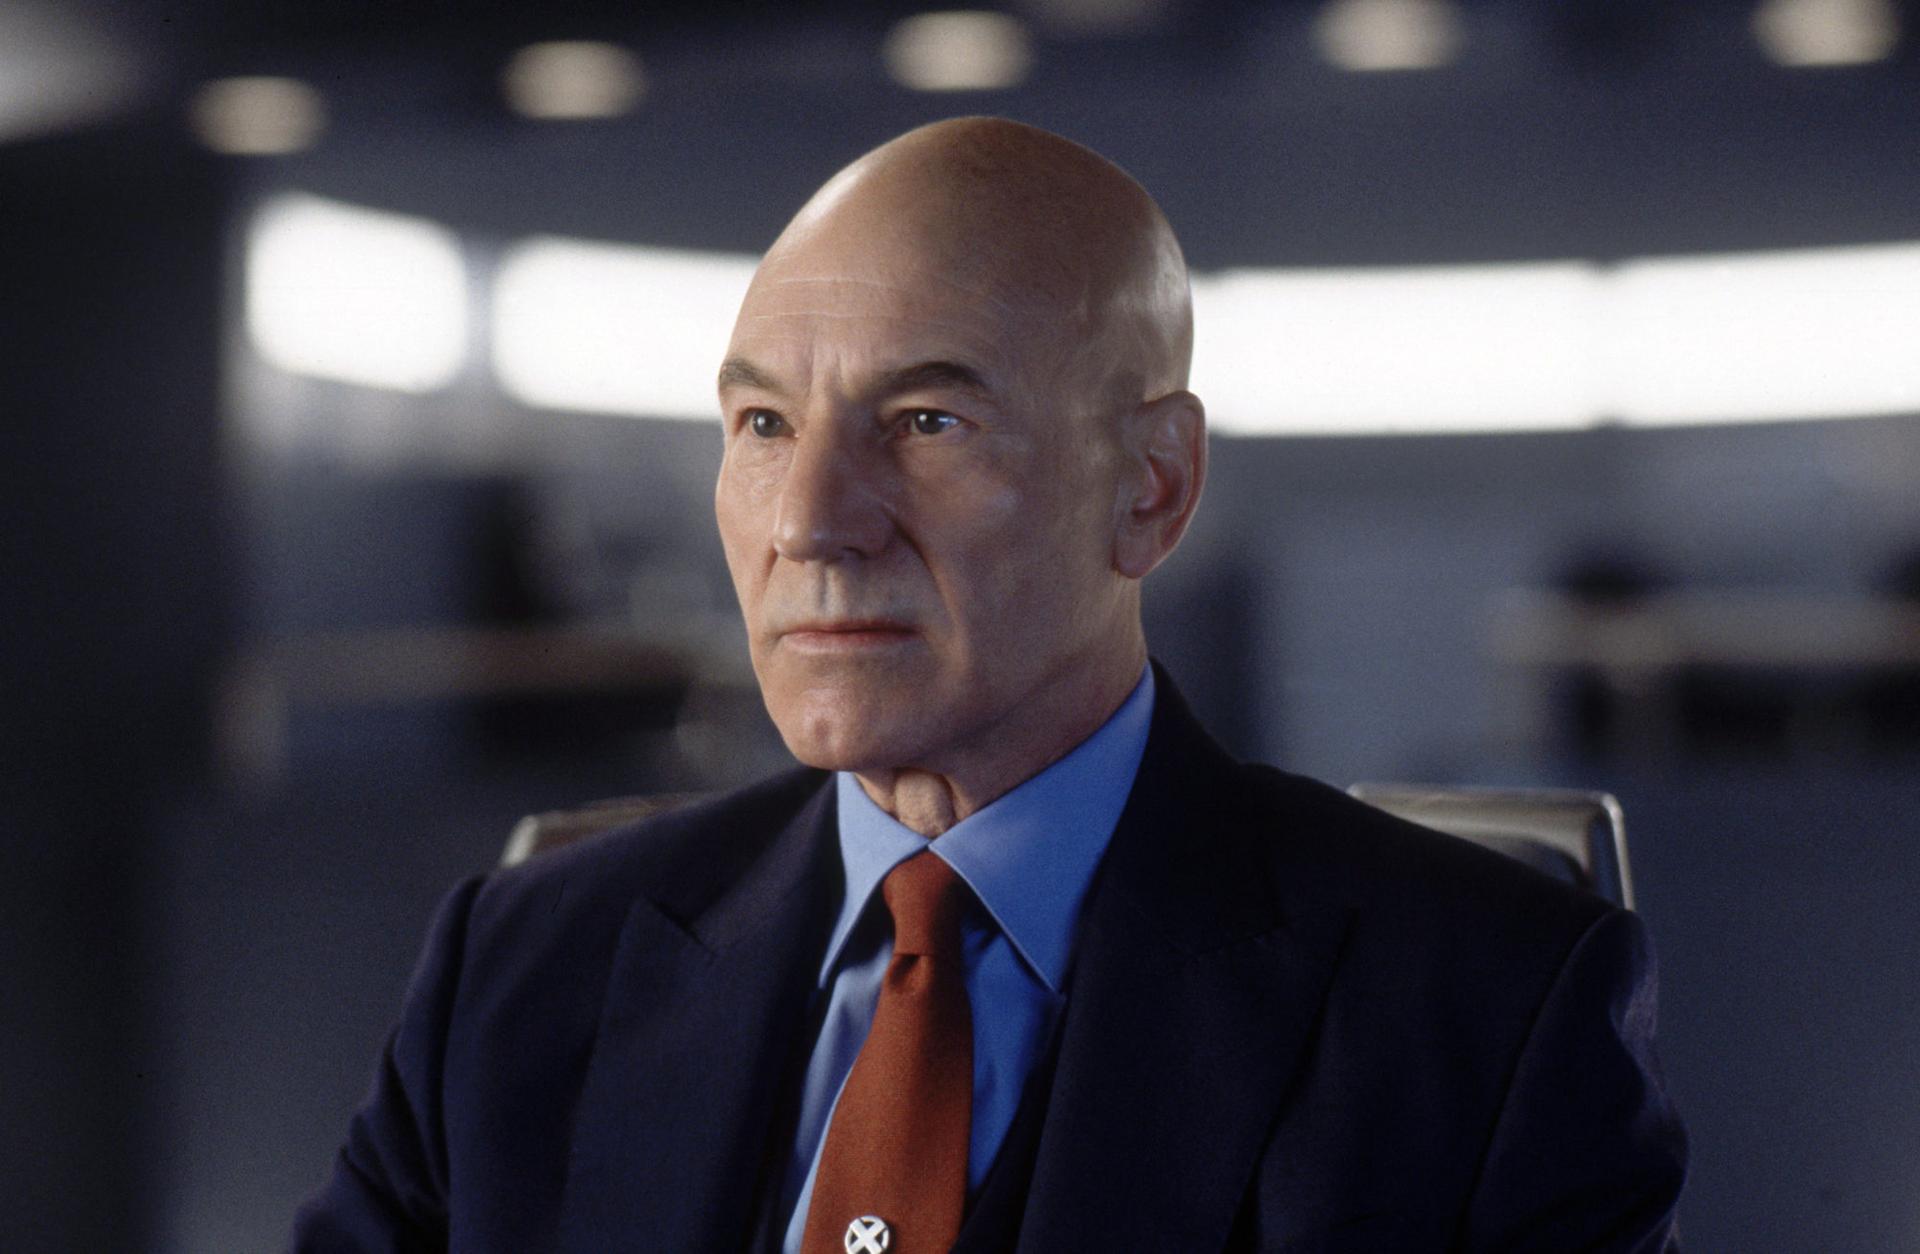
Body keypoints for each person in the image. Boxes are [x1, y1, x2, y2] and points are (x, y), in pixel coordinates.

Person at [293, 117, 1686, 1252]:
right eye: (765, 422)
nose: (811, 521)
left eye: (925, 420)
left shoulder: (1486, 1006)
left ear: (1151, 489)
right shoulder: (521, 971)